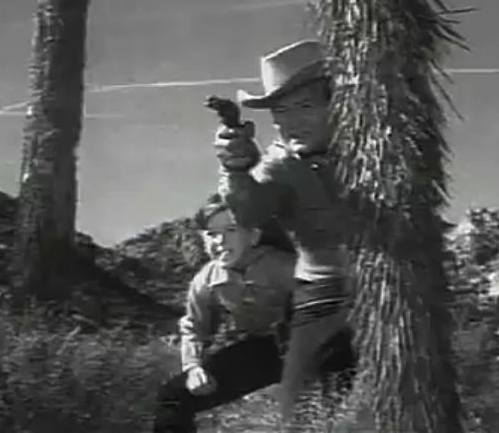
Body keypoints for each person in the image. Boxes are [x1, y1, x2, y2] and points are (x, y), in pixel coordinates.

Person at [213, 39, 358, 425]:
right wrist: (236, 169)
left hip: (398, 291)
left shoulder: (377, 153)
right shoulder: (279, 163)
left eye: (305, 106)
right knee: (302, 411)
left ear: (338, 104)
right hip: (322, 297)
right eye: (280, 112)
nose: (292, 122)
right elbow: (250, 211)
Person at [152, 194, 355, 433]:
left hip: (321, 345)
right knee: (173, 397)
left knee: (319, 417)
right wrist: (193, 367)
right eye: (211, 234)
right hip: (265, 350)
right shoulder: (205, 280)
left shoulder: (283, 265)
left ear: (254, 235)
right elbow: (195, 327)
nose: (220, 241)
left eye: (230, 230)